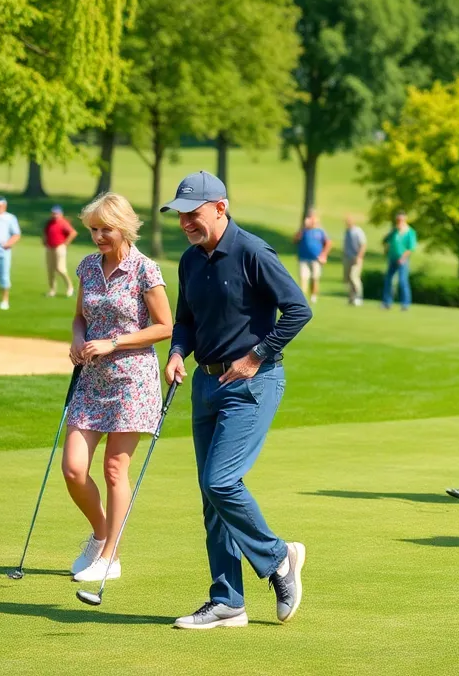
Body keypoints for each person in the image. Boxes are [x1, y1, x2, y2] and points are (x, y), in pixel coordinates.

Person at [161, 171, 313, 630]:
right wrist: (174, 353)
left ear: (221, 207)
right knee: (212, 496)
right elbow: (185, 319)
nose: (186, 221)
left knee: (221, 481)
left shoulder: (252, 251)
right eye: (181, 215)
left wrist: (256, 355)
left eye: (194, 213)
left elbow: (299, 309)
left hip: (252, 383)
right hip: (206, 384)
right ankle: (228, 600)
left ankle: (278, 558)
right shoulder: (190, 260)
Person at [63, 193, 172, 584]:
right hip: (92, 379)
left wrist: (113, 342)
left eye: (105, 229)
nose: (97, 236)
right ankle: (100, 534)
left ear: (123, 227)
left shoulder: (146, 270)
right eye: (93, 229)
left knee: (113, 469)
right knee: (74, 469)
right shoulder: (88, 266)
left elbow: (165, 326)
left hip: (133, 381)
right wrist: (78, 339)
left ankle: (111, 557)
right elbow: (80, 316)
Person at [293, 209, 331, 305]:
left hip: (316, 259)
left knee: (314, 278)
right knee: (303, 277)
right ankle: (302, 298)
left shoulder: (320, 231)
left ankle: (313, 296)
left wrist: (323, 255)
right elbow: (295, 240)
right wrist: (302, 229)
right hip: (303, 258)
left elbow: (328, 243)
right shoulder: (304, 230)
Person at [381, 211, 416, 311]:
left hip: (402, 260)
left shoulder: (410, 232)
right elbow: (385, 241)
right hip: (392, 258)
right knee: (388, 280)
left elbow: (411, 248)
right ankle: (386, 302)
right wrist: (386, 250)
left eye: (401, 220)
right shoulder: (394, 231)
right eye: (398, 220)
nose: (399, 221)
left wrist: (403, 258)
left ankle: (405, 304)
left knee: (402, 281)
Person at [44, 205, 79, 298]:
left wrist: (65, 243)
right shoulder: (49, 223)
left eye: (57, 213)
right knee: (50, 270)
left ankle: (70, 287)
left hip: (59, 247)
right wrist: (44, 240)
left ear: (61, 214)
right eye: (53, 213)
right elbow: (46, 233)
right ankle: (52, 290)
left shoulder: (63, 223)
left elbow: (73, 233)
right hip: (49, 247)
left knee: (60, 268)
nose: (55, 215)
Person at [342, 215, 367, 306]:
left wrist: (359, 256)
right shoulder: (347, 231)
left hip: (356, 257)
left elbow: (363, 245)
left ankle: (358, 297)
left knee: (354, 277)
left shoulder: (357, 231)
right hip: (348, 257)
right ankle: (351, 298)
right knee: (349, 279)